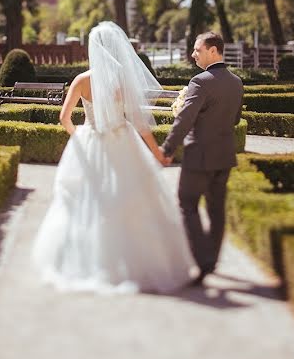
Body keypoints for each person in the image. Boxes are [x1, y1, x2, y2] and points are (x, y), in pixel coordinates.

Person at [33, 21, 196, 294]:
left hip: (91, 139)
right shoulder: (122, 79)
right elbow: (140, 123)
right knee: (130, 199)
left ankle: (82, 261)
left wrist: (80, 137)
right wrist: (157, 153)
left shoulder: (81, 80)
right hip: (122, 140)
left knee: (83, 201)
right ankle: (131, 264)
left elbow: (64, 118)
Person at [161, 32, 244, 285]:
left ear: (213, 51)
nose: (193, 54)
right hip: (224, 155)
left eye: (197, 50)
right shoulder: (237, 82)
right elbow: (235, 120)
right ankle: (212, 259)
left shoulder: (200, 82)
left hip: (199, 156)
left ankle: (203, 260)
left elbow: (185, 120)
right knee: (216, 209)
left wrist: (167, 148)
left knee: (187, 203)